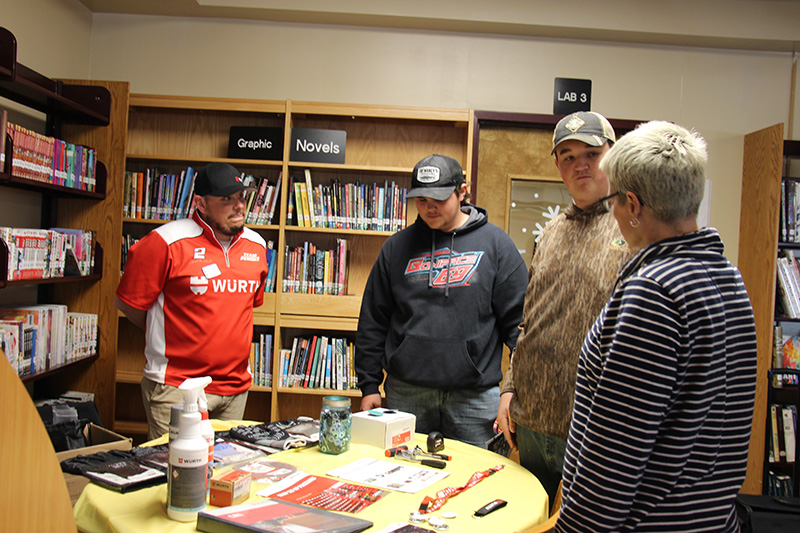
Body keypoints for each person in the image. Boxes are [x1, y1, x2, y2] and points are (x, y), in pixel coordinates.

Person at [556, 121, 758, 532]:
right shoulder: (728, 278)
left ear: (633, 205)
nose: (611, 213)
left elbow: (615, 456)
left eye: (613, 201)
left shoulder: (654, 292)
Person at [496, 111, 631, 505]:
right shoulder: (551, 232)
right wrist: (509, 389)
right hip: (533, 421)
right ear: (557, 165)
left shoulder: (634, 227)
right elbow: (530, 320)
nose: (580, 164)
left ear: (613, 154)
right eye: (568, 156)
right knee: (532, 520)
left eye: (592, 152)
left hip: (594, 427)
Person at [355, 154, 527, 448]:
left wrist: (514, 389)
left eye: (438, 198)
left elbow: (520, 326)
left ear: (462, 192)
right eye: (421, 199)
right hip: (406, 393)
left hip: (475, 397)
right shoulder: (396, 248)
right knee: (400, 479)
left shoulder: (497, 245)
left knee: (479, 484)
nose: (429, 207)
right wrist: (369, 385)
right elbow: (373, 320)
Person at [115, 162, 268, 440]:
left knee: (226, 473)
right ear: (200, 203)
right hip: (178, 387)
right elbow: (131, 306)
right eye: (226, 198)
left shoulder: (257, 246)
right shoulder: (165, 241)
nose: (238, 206)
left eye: (242, 197)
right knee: (175, 474)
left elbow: (244, 310)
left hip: (235, 390)